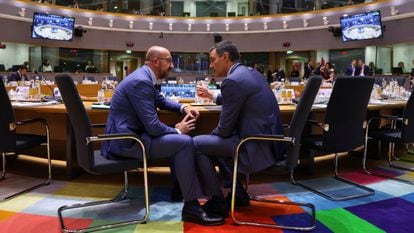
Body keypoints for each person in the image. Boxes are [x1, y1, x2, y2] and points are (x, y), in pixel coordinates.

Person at [100, 46, 224, 226]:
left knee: (179, 143)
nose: (172, 65)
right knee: (184, 142)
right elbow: (153, 127)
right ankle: (191, 207)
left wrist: (183, 108)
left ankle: (180, 189)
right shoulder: (141, 81)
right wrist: (178, 129)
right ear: (156, 62)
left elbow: (160, 100)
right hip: (128, 142)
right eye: (169, 61)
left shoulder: (142, 77)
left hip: (130, 137)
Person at [194, 41, 285, 218]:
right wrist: (213, 96)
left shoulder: (232, 81)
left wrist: (209, 141)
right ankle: (238, 194)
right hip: (271, 143)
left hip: (255, 147)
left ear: (225, 57)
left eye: (213, 60)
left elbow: (224, 130)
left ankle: (217, 200)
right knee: (214, 145)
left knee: (198, 144)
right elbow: (237, 98)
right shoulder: (251, 73)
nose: (211, 65)